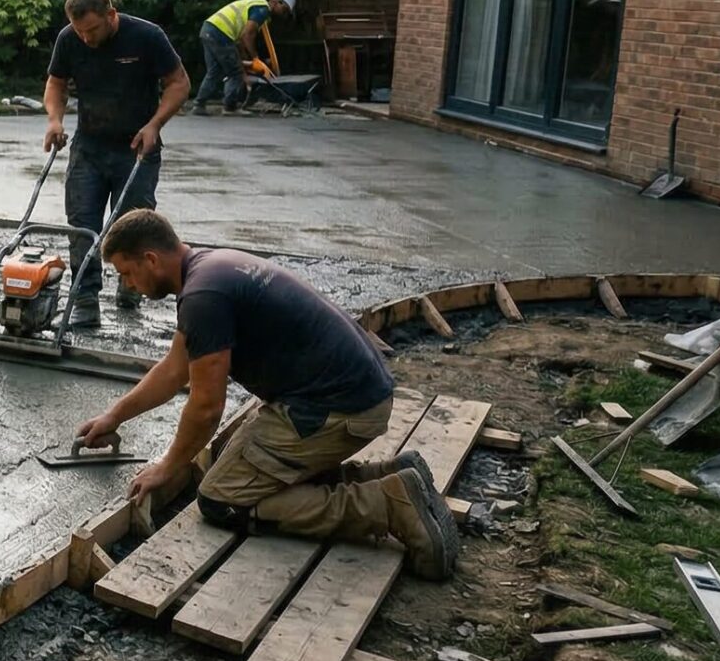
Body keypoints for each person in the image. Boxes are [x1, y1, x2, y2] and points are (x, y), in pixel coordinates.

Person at [73, 209, 458, 580]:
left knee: (222, 498)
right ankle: (387, 475)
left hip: (336, 410)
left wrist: (168, 466)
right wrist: (114, 416)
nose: (128, 285)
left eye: (127, 273)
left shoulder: (203, 296)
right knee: (233, 465)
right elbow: (175, 370)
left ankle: (386, 505)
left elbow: (207, 408)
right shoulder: (208, 269)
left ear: (151, 259)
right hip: (352, 394)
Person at [42, 0, 188, 328]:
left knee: (133, 227)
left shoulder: (147, 36)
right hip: (89, 147)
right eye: (80, 31)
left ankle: (132, 287)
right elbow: (56, 82)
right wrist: (54, 120)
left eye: (92, 29)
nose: (86, 38)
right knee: (81, 225)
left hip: (137, 148)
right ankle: (85, 297)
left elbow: (179, 82)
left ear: (111, 15)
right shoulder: (69, 39)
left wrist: (155, 125)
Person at [194, 0, 296, 114]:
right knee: (235, 72)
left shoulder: (257, 6)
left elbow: (241, 40)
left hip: (209, 29)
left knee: (214, 71)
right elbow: (247, 35)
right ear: (277, 2)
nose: (284, 14)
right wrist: (255, 58)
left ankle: (199, 105)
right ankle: (229, 108)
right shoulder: (262, 10)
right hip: (220, 33)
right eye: (285, 10)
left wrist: (243, 57)